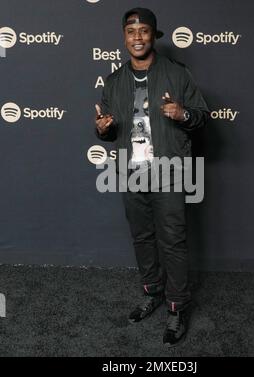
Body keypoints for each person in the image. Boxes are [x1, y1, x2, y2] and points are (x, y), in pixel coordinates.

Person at [95, 7, 210, 347]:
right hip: (130, 172)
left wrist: (183, 113)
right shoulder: (114, 81)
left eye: (144, 31)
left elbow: (202, 117)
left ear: (153, 35)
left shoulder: (177, 73)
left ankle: (176, 307)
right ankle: (152, 292)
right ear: (124, 37)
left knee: (172, 240)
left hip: (169, 170)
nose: (137, 37)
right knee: (142, 237)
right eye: (131, 32)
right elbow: (107, 128)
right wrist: (103, 130)